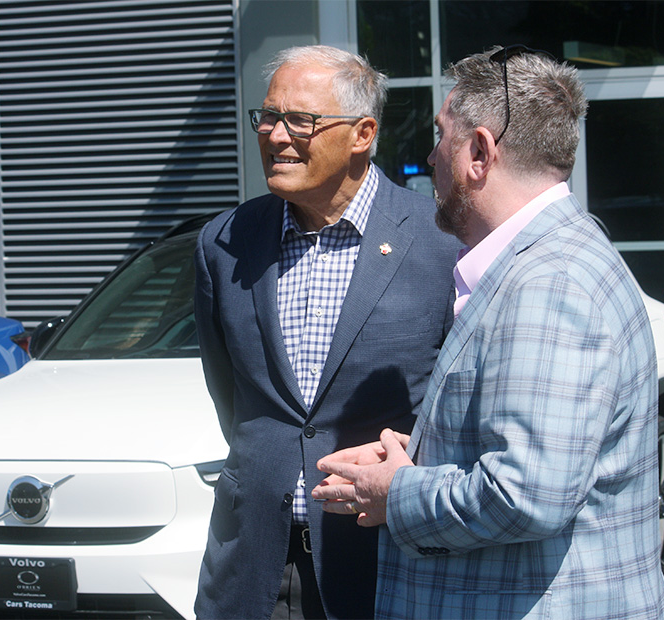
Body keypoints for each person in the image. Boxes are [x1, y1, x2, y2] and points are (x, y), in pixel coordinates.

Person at [312, 46, 664, 619]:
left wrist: (394, 491)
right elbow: (547, 454)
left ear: (479, 152)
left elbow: (526, 494)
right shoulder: (555, 259)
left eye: (441, 138)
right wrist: (425, 454)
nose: (430, 158)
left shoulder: (548, 282)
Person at [193, 45, 460, 620]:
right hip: (255, 564)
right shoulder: (222, 242)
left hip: (387, 561)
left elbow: (459, 412)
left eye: (301, 121)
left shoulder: (441, 243)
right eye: (267, 116)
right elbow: (232, 399)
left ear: (362, 133)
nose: (275, 135)